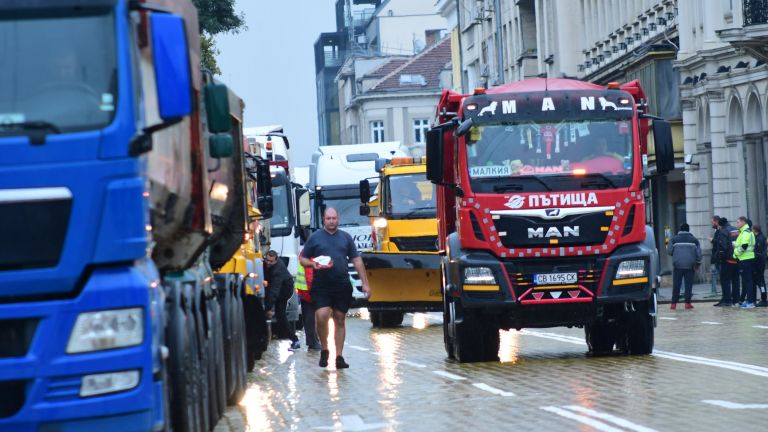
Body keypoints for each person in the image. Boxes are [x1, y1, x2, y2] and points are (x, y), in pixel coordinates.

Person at [299, 207, 370, 369]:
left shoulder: (346, 238)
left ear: (338, 219)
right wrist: (313, 264)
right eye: (328, 218)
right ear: (323, 220)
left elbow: (357, 260)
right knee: (322, 316)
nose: (331, 221)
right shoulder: (315, 238)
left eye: (334, 218)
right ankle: (325, 349)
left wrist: (365, 283)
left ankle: (339, 356)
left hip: (342, 284)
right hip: (321, 284)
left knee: (340, 318)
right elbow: (302, 259)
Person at [264, 250, 300, 350]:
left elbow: (274, 291)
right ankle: (294, 340)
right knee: (280, 317)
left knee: (281, 316)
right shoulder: (270, 264)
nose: (268, 263)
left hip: (284, 291)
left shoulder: (277, 271)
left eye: (271, 261)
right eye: (267, 260)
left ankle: (295, 340)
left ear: (276, 260)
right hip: (280, 288)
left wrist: (267, 308)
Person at [667, 223, 702, 310]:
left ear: (680, 229)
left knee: (676, 285)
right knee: (688, 285)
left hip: (677, 265)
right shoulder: (694, 240)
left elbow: (669, 251)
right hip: (690, 265)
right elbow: (699, 254)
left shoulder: (674, 239)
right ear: (688, 230)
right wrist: (697, 264)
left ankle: (673, 304)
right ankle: (687, 303)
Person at [296, 251, 321, 350]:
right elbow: (309, 275)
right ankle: (313, 342)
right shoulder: (312, 255)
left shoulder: (306, 252)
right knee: (310, 317)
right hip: (309, 289)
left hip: (304, 289)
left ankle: (312, 341)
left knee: (307, 316)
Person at [715, 217, 740, 306]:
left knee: (725, 281)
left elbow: (723, 246)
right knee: (736, 281)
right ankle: (736, 300)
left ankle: (727, 300)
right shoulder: (736, 230)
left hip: (728, 260)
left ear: (720, 225)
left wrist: (721, 257)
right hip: (737, 258)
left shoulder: (723, 231)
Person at [733, 216, 757, 309]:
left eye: (738, 222)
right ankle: (749, 300)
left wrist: (736, 252)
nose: (737, 224)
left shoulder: (746, 233)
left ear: (743, 222)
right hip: (746, 259)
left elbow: (744, 246)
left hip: (745, 259)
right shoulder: (745, 232)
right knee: (747, 281)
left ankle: (750, 302)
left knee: (748, 281)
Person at [752, 224, 768, 307]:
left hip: (759, 262)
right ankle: (763, 297)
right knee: (760, 281)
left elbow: (758, 252)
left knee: (761, 281)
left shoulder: (760, 238)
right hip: (760, 262)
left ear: (755, 230)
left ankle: (764, 298)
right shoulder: (761, 237)